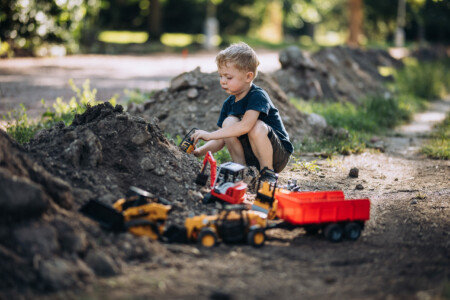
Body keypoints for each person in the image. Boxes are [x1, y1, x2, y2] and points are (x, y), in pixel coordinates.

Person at [191, 42, 293, 182]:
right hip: (252, 155)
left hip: (277, 155)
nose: (222, 81)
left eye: (228, 77)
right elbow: (221, 138)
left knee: (255, 126)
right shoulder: (229, 104)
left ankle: (267, 173)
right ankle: (242, 170)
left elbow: (245, 126)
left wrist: (209, 135)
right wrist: (198, 152)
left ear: (248, 77)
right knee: (228, 123)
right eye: (221, 76)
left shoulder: (257, 96)